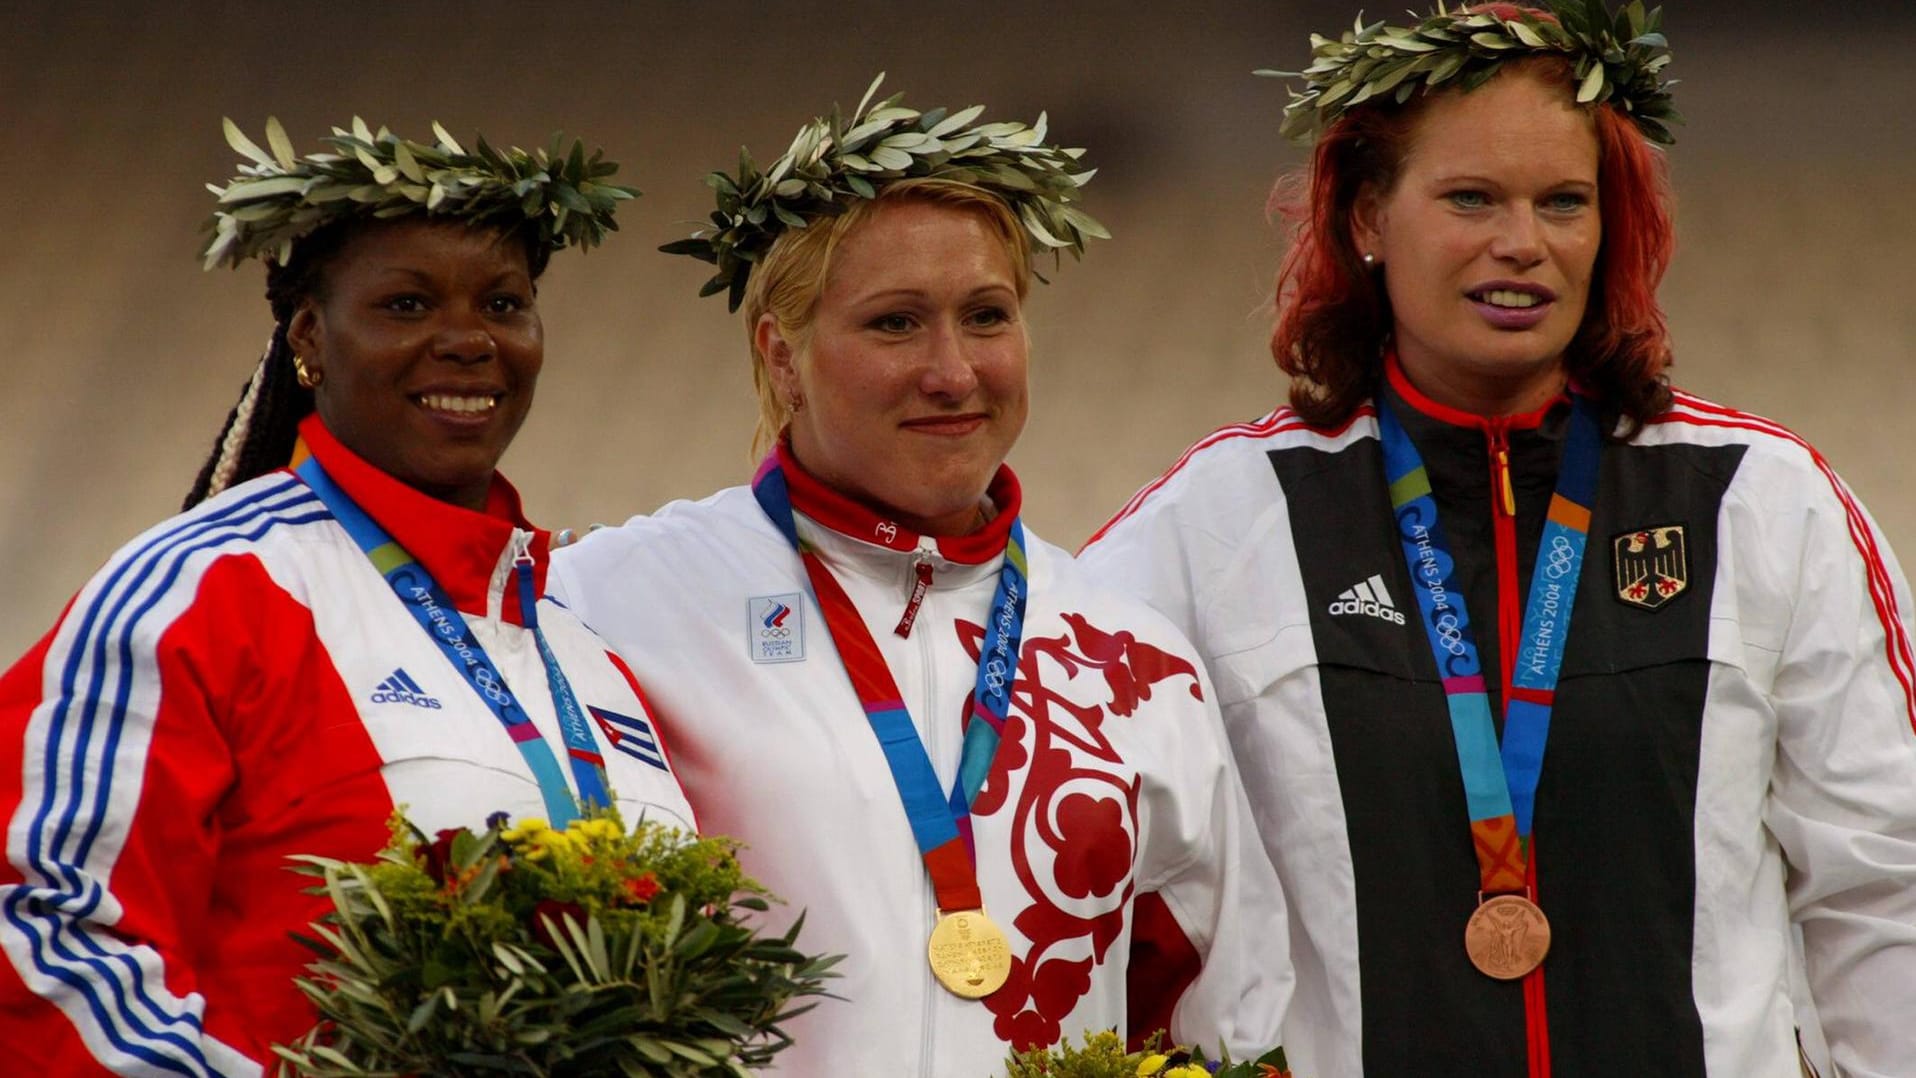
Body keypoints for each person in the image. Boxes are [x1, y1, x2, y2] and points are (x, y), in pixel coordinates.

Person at [1080, 4, 1916, 1077]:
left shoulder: (1763, 502)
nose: (1520, 242)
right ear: (1367, 218)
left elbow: (1883, 883)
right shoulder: (1209, 527)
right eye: (1469, 197)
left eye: (1561, 202)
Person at [552, 77, 1292, 1075]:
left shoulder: (1139, 662)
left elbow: (1221, 1022)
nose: (952, 371)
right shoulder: (613, 598)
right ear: (781, 354)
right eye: (895, 323)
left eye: (985, 316)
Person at [0, 118, 695, 1074]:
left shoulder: (582, 648)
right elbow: (41, 940)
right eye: (407, 305)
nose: (467, 341)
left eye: (503, 303)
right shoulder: (195, 595)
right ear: (309, 340)